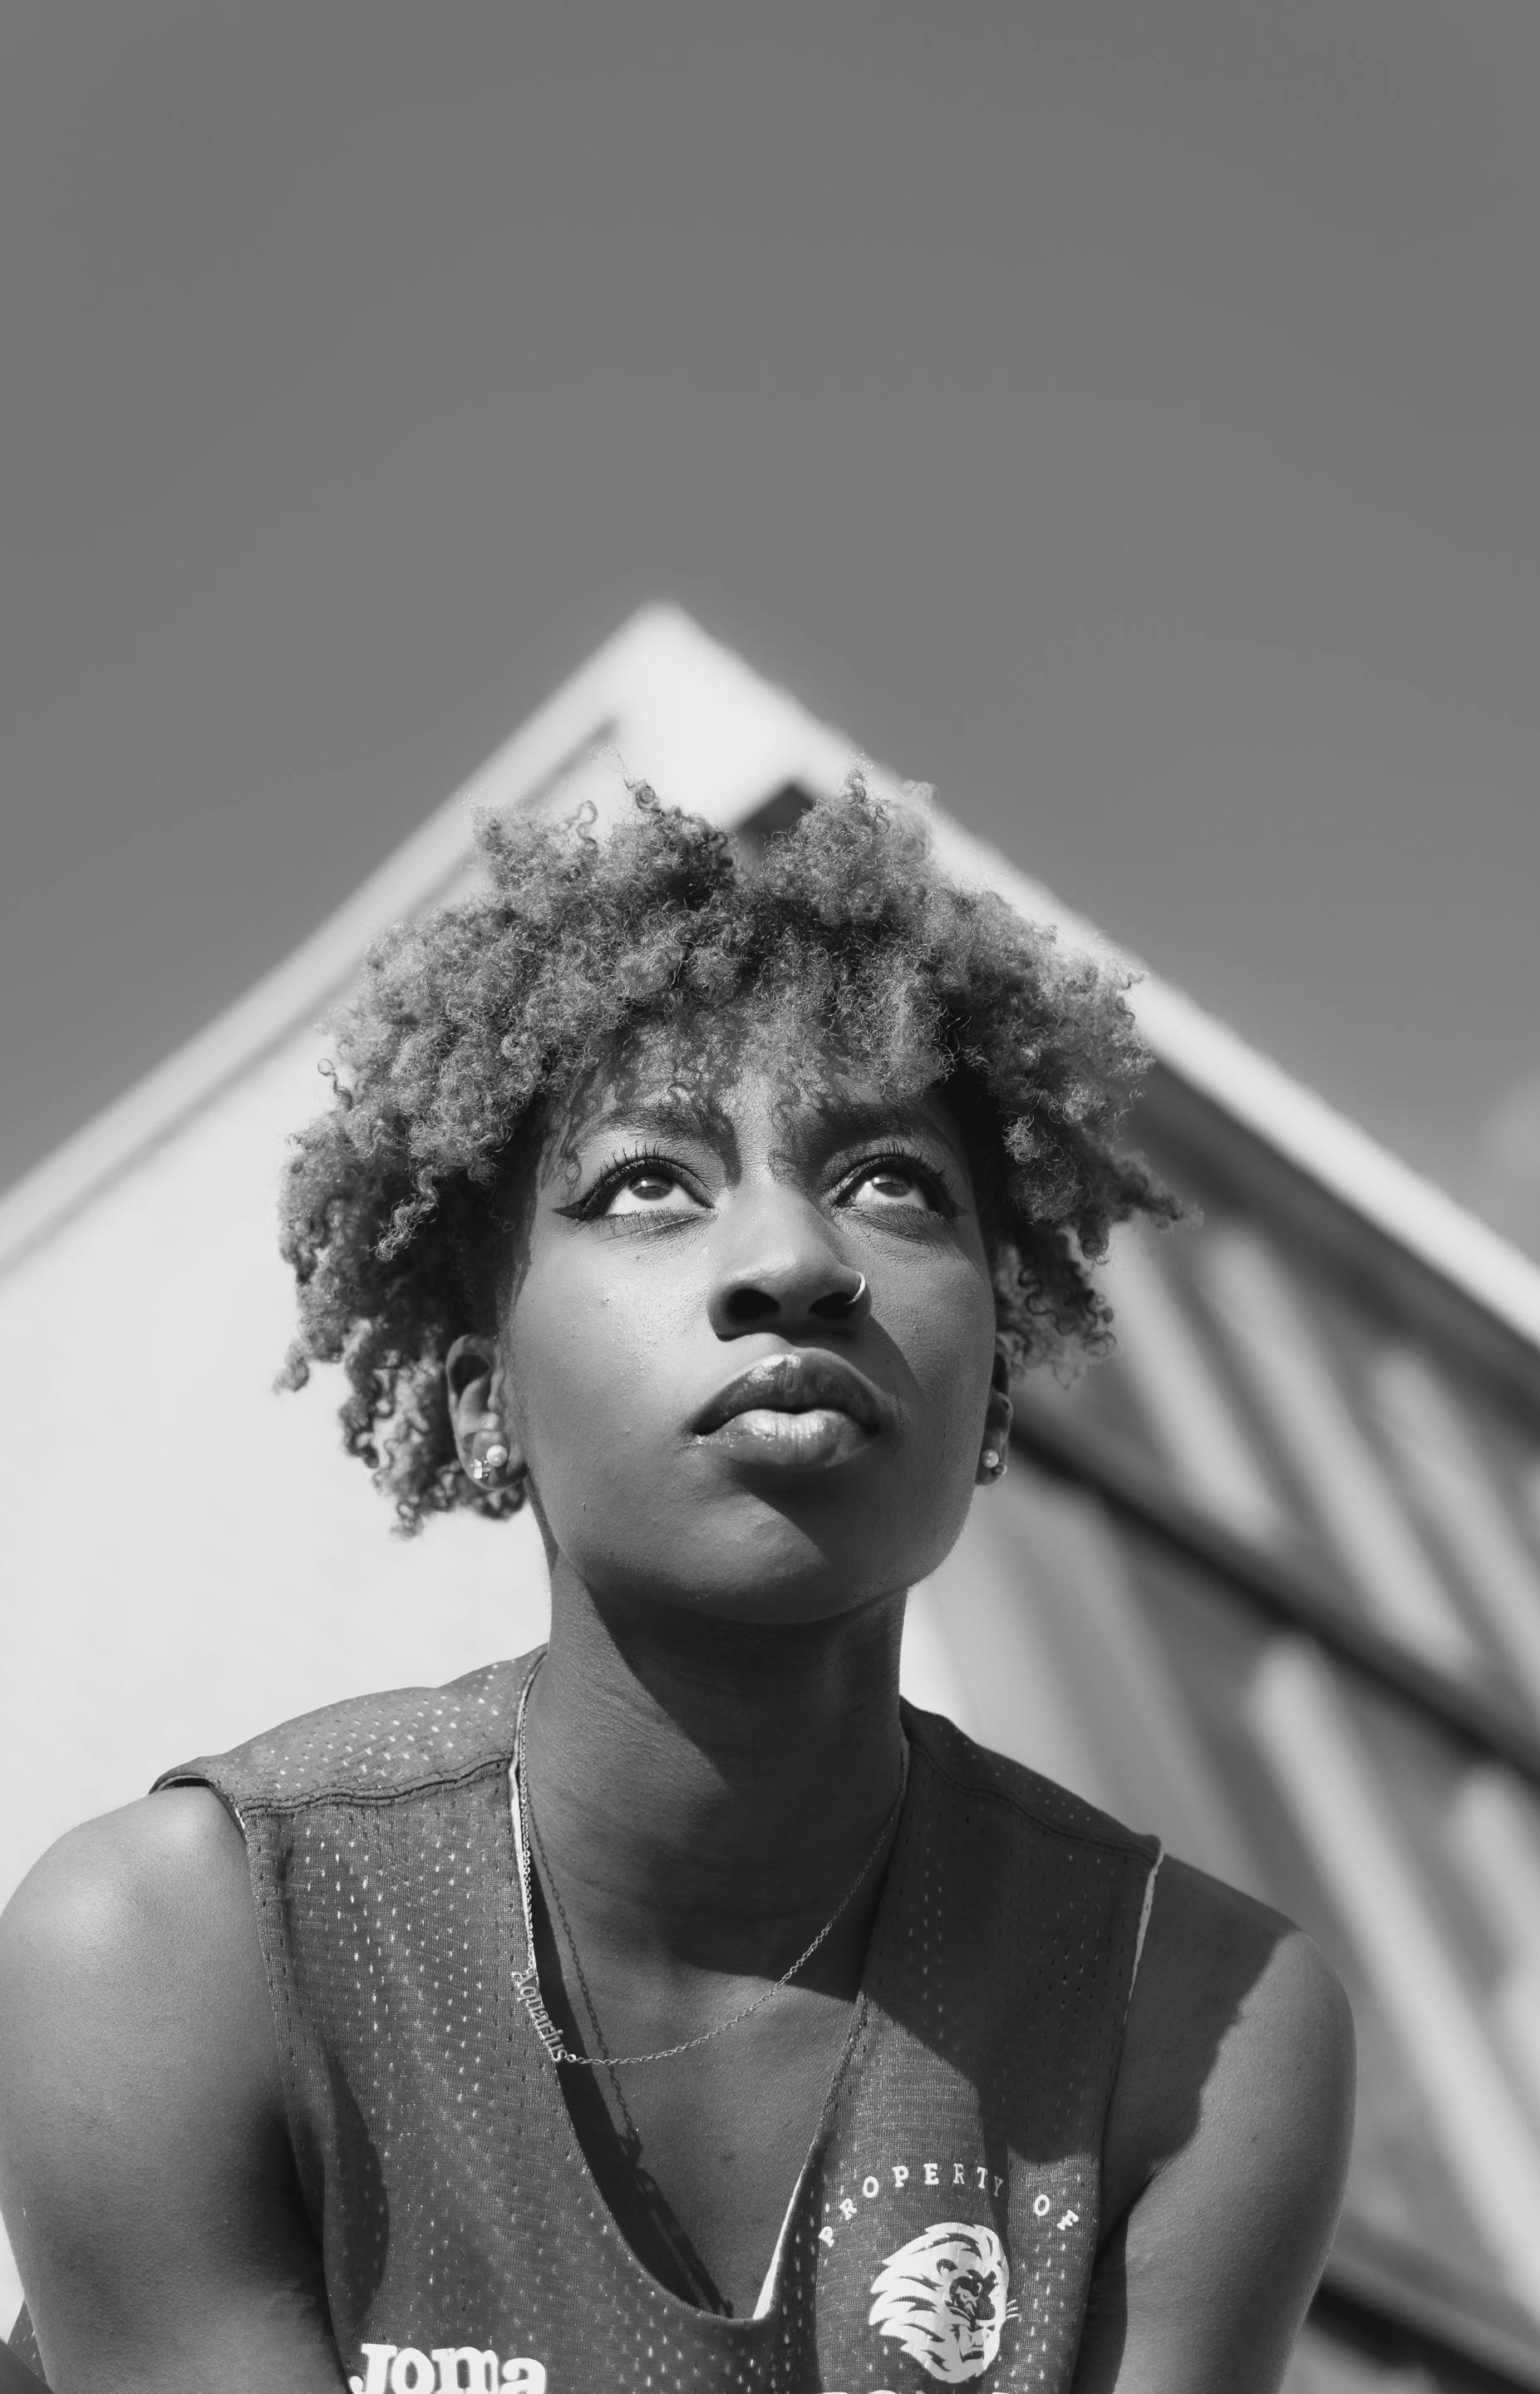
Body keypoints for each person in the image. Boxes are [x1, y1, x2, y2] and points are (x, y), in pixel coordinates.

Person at [0, 782, 1353, 2394]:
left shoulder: (1192, 2020)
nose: (792, 1261)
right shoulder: (183, 1952)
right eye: (647, 1182)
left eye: (894, 1184)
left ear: (993, 1398)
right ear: (483, 1388)